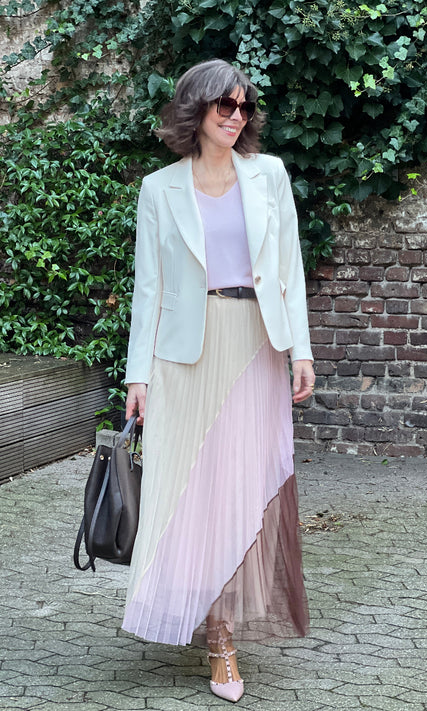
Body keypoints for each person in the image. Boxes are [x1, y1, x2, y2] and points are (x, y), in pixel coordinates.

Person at [123, 58, 315, 703]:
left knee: (242, 485)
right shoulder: (160, 189)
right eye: (224, 106)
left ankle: (224, 626)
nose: (236, 117)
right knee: (188, 490)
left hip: (255, 345)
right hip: (184, 357)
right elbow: (148, 289)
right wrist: (138, 376)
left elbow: (288, 269)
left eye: (244, 107)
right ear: (196, 110)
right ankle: (211, 627)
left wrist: (301, 350)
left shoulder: (269, 175)